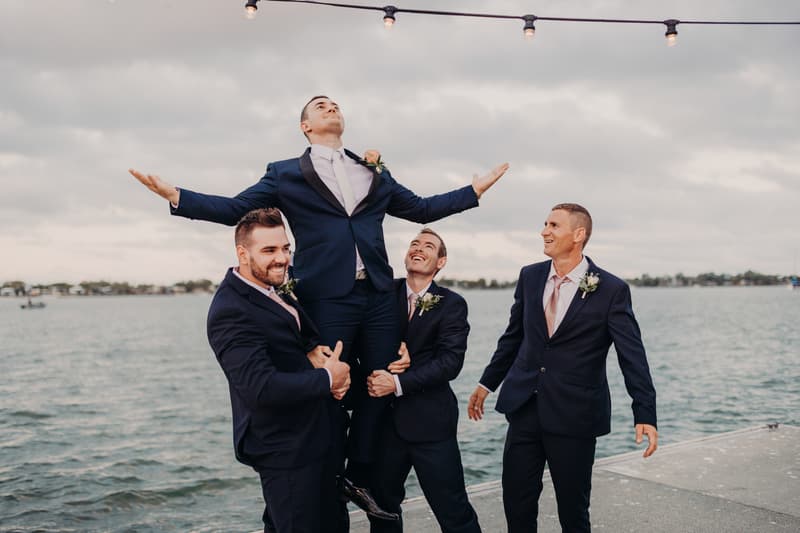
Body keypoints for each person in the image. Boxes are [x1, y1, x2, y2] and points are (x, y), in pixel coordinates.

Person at [129, 95, 508, 519]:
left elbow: (420, 208)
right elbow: (236, 209)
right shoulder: (285, 173)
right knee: (332, 381)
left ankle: (358, 474)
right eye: (320, 106)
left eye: (335, 105)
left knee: (379, 382)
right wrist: (176, 195)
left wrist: (474, 191)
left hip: (380, 294)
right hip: (328, 296)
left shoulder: (372, 169)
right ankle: (326, 471)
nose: (331, 108)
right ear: (305, 127)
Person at [468, 203, 658, 533]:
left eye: (554, 225)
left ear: (578, 234)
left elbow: (632, 355)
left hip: (575, 415)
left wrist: (645, 412)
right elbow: (513, 337)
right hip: (524, 408)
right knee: (516, 503)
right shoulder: (530, 276)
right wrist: (487, 384)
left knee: (573, 510)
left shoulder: (612, 290)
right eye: (544, 223)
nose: (544, 231)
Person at [207, 208, 351, 533]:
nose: (282, 258)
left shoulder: (269, 288)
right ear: (242, 254)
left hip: (317, 440)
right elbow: (260, 388)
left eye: (285, 248)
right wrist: (329, 378)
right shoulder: (230, 310)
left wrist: (314, 351)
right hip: (286, 451)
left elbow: (293, 335)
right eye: (269, 250)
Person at [366, 228, 481, 533]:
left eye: (428, 246)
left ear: (440, 262)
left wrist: (399, 382)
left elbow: (450, 363)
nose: (418, 248)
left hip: (431, 423)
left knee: (452, 508)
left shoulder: (452, 303)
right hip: (383, 422)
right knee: (381, 508)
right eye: (414, 243)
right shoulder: (382, 293)